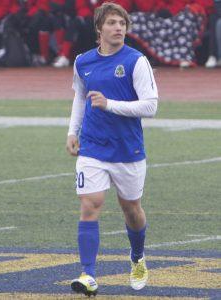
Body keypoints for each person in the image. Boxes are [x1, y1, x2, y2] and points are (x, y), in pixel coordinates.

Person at [66, 2, 158, 296]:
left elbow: (151, 106)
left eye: (122, 23)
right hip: (92, 147)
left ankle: (137, 257)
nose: (119, 28)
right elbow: (80, 98)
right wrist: (72, 131)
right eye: (113, 23)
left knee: (131, 210)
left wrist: (110, 104)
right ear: (99, 29)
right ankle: (89, 275)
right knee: (90, 204)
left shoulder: (136, 61)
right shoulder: (83, 61)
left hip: (127, 150)